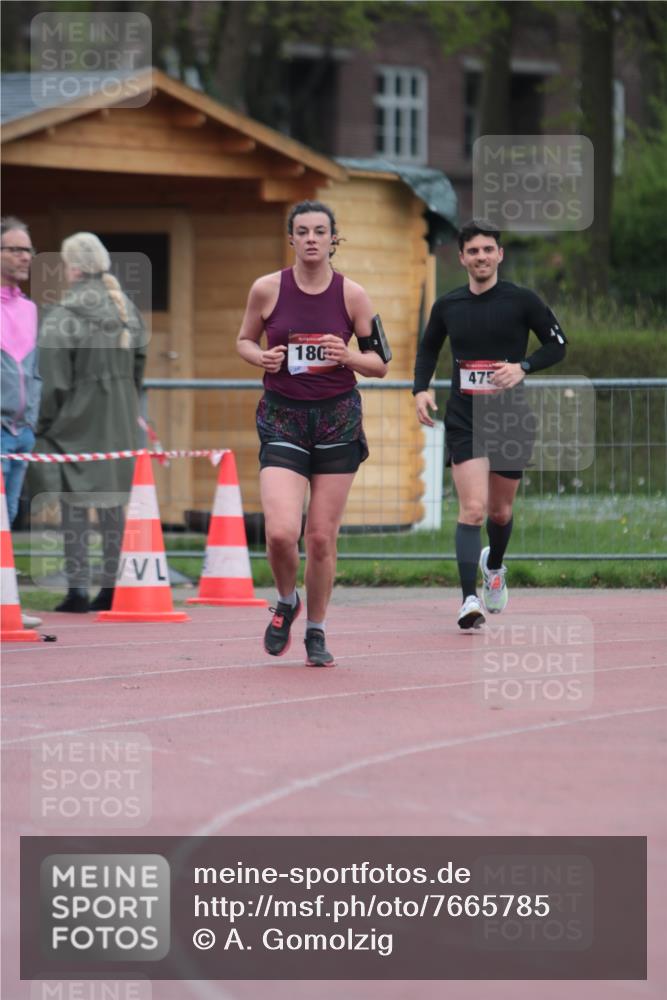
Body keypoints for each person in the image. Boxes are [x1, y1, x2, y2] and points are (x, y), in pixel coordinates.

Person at [236, 200, 388, 666]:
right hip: (283, 416)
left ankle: (316, 631)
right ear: (292, 239)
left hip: (337, 418)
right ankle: (287, 600)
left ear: (333, 239)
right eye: (302, 231)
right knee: (282, 533)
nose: (311, 239)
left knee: (320, 537)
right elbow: (244, 340)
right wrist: (259, 357)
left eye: (320, 231)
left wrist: (347, 357)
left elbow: (380, 363)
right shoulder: (266, 289)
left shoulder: (352, 296)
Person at [413, 219, 567, 629]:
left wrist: (524, 367)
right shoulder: (448, 305)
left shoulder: (522, 300)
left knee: (500, 512)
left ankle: (494, 565)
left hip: (511, 418)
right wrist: (420, 389)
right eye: (473, 251)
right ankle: (467, 600)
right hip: (465, 417)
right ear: (462, 257)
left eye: (488, 250)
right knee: (473, 509)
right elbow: (428, 349)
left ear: (499, 254)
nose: (481, 257)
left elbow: (558, 344)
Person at [31, 232, 146, 613]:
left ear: (74, 267)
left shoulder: (62, 315)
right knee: (113, 508)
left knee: (74, 508)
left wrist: (43, 425)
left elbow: (53, 384)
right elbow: (137, 372)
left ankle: (77, 590)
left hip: (75, 423)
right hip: (120, 422)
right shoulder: (126, 308)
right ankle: (112, 587)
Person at [1, 217, 43, 628]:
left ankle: (5, 603)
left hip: (20, 433)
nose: (25, 256)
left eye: (27, 249)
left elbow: (34, 370)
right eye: (14, 249)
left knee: (7, 519)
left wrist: (30, 420)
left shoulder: (30, 309)